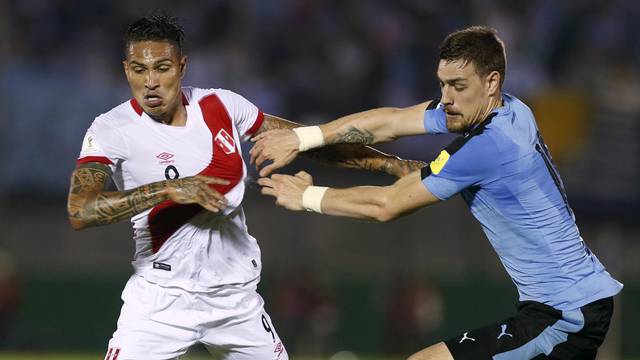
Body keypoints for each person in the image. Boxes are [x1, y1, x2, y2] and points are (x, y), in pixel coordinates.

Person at [252, 26, 623, 360]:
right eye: (442, 84)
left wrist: (307, 196)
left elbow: (387, 204)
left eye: (458, 86)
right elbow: (392, 121)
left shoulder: (489, 145)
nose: (446, 98)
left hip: (565, 314)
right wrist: (304, 137)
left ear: (492, 82)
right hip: (574, 302)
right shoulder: (513, 110)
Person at [66, 14, 421, 360]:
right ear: (127, 69)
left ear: (182, 66)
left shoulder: (222, 105)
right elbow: (80, 211)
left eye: (162, 67)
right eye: (139, 70)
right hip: (160, 300)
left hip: (236, 300)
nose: (151, 82)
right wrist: (166, 190)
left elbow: (302, 141)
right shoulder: (112, 129)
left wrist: (390, 164)